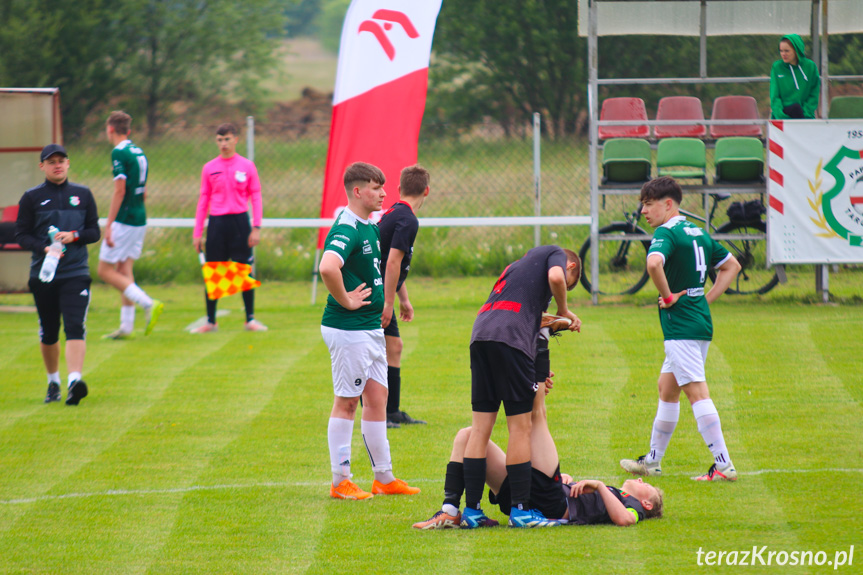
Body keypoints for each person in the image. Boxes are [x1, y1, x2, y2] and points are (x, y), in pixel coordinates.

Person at [413, 364, 664, 529]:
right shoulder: (619, 495)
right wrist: (568, 482)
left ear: (647, 505)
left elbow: (623, 520)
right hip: (537, 494)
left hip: (551, 503)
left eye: (648, 487)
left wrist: (598, 484)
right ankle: (449, 510)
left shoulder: (632, 507)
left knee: (537, 415)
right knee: (466, 435)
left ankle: (538, 358)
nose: (642, 481)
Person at [620, 177, 742, 482]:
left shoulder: (668, 231)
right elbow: (732, 266)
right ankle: (653, 461)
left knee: (697, 392)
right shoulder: (697, 231)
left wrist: (669, 296)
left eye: (648, 204)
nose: (644, 211)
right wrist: (705, 299)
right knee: (667, 387)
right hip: (697, 321)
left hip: (681, 327)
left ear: (668, 204)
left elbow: (653, 264)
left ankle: (723, 464)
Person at [319, 161, 420, 500]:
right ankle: (340, 481)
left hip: (370, 328)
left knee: (378, 399)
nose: (384, 194)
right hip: (349, 329)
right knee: (347, 402)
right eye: (377, 188)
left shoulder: (370, 226)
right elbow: (327, 266)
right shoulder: (347, 227)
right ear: (358, 191)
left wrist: (397, 299)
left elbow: (379, 272)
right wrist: (346, 300)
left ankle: (384, 477)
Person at [462, 245, 582, 528]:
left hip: (480, 334)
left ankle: (471, 511)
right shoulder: (554, 254)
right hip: (509, 339)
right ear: (572, 267)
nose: (562, 290)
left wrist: (535, 369)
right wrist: (564, 310)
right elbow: (555, 278)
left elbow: (524, 319)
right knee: (521, 426)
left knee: (480, 429)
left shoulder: (519, 266)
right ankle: (521, 510)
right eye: (570, 284)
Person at [15, 144, 100, 405]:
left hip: (76, 273)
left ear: (68, 163)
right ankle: (54, 383)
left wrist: (73, 236)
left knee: (75, 324)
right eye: (51, 162)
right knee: (49, 331)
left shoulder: (83, 195)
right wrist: (45, 247)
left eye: (61, 160)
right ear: (42, 166)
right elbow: (20, 235)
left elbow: (94, 232)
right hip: (44, 274)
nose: (57, 165)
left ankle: (75, 381)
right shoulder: (31, 197)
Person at [191, 122, 266, 333]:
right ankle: (210, 321)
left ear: (235, 140)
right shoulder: (209, 168)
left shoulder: (247, 166)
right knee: (214, 272)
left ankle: (250, 319)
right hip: (217, 224)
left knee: (244, 270)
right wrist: (198, 233)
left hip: (240, 223)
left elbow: (256, 196)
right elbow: (203, 200)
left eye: (227, 139)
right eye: (219, 140)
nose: (223, 144)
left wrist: (256, 226)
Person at [97, 111, 163, 339]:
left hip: (124, 219)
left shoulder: (119, 152)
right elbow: (143, 190)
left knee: (104, 270)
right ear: (129, 130)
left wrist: (109, 224)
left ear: (110, 129)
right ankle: (126, 326)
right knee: (124, 270)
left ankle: (148, 302)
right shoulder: (138, 151)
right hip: (139, 216)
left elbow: (120, 189)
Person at [378, 164, 431, 429]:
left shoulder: (397, 213)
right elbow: (391, 262)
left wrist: (403, 298)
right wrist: (388, 303)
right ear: (427, 191)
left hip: (383, 289)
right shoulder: (407, 219)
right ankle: (378, 415)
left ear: (399, 189)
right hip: (375, 291)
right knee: (375, 352)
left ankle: (392, 411)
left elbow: (395, 262)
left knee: (394, 347)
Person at [770, 34, 820, 120]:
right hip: (782, 115)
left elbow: (814, 94)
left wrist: (805, 113)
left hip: (804, 115)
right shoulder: (777, 67)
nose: (783, 54)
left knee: (796, 108)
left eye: (787, 51)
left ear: (796, 50)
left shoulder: (810, 67)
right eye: (781, 51)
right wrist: (781, 116)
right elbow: (774, 96)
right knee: (794, 108)